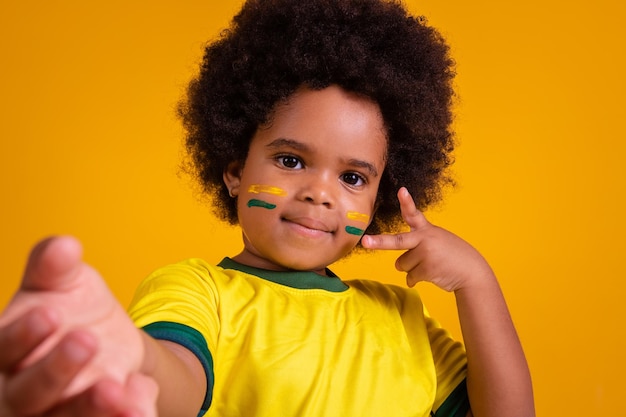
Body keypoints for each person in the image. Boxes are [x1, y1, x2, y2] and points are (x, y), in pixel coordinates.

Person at [0, 0, 535, 416]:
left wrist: (477, 284)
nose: (320, 194)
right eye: (291, 160)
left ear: (379, 199)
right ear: (235, 169)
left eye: (351, 177)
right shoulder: (198, 292)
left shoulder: (402, 320)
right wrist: (126, 357)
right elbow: (174, 383)